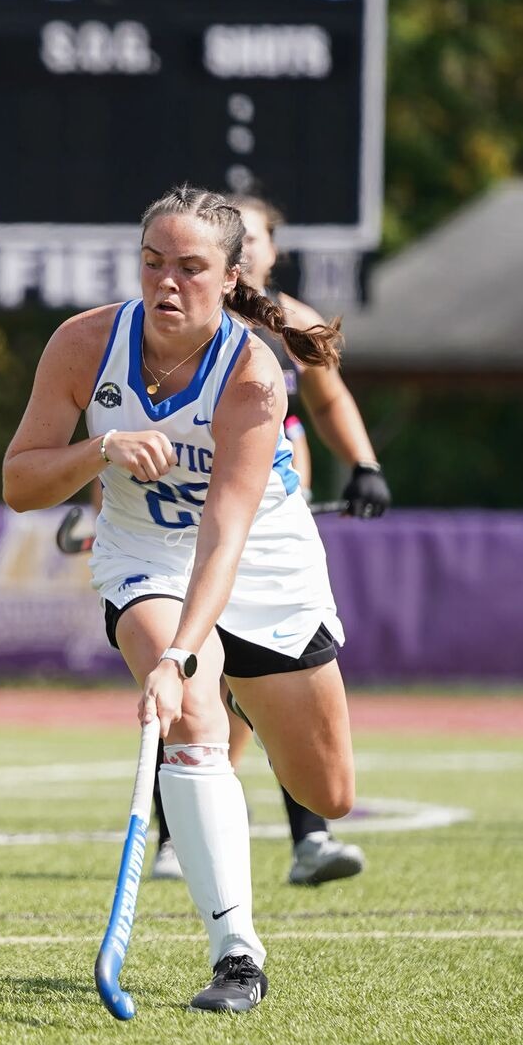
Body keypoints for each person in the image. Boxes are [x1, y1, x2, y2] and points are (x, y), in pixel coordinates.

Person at [3, 185, 357, 1013]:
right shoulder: (85, 344)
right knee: (195, 717)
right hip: (145, 557)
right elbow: (20, 483)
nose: (166, 284)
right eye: (153, 263)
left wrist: (184, 652)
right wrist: (100, 448)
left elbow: (227, 537)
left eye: (191, 269)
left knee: (328, 791)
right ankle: (238, 954)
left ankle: (228, 677)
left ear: (231, 278)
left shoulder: (254, 376)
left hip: (261, 562)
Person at [140, 195, 391, 887]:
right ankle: (174, 838)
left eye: (257, 239)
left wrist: (364, 464)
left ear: (274, 253)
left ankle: (308, 837)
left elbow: (330, 402)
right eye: (235, 239)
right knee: (199, 688)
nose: (246, 250)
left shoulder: (288, 321)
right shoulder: (177, 319)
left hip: (272, 527)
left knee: (264, 688)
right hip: (193, 527)